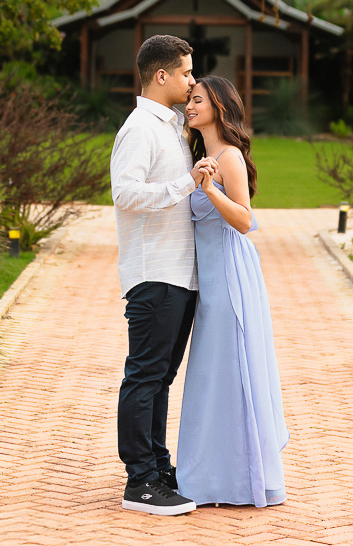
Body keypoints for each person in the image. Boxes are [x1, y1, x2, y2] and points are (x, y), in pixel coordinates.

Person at [110, 34, 217, 516]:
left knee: (160, 378)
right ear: (161, 75)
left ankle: (157, 467)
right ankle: (140, 482)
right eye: (186, 72)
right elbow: (125, 194)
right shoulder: (140, 128)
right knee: (145, 376)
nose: (192, 81)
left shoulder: (172, 127)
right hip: (154, 273)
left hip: (179, 275)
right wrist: (185, 182)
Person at [177, 75, 289, 507]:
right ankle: (207, 477)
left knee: (229, 371)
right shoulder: (200, 157)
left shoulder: (230, 157)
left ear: (219, 107)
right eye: (189, 100)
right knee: (211, 375)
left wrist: (208, 189)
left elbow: (244, 220)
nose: (190, 106)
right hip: (208, 280)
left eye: (197, 100)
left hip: (229, 274)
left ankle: (240, 480)